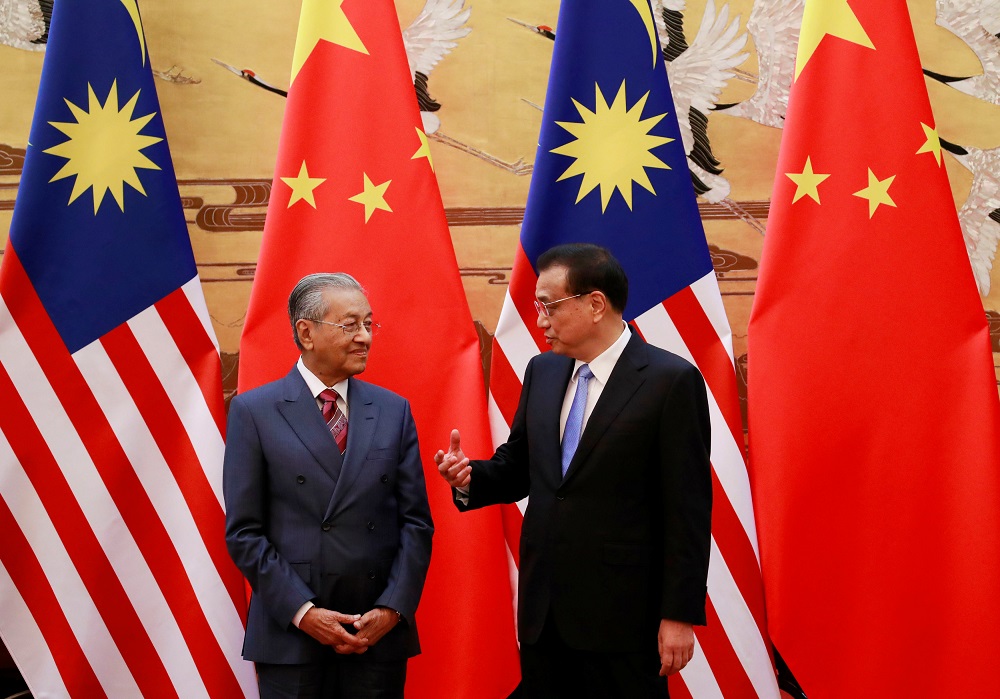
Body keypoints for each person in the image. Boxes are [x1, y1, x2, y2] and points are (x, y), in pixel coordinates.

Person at [435, 244, 712, 698]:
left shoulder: (669, 380)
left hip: (624, 620)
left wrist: (679, 614)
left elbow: (688, 508)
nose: (540, 319)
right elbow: (520, 467)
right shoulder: (543, 371)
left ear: (595, 304)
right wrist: (470, 478)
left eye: (549, 306)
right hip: (545, 617)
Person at [224, 273, 433, 699]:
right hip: (292, 634)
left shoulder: (393, 410)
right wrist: (304, 612)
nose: (365, 337)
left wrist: (392, 608)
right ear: (306, 332)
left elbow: (416, 524)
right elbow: (244, 532)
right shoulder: (255, 411)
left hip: (374, 634)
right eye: (350, 325)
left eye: (369, 324)